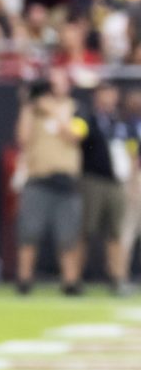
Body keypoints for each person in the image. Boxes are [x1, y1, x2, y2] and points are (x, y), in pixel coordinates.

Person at [15, 71, 84, 295]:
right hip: (38, 178)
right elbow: (22, 139)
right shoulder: (34, 112)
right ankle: (24, 281)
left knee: (68, 236)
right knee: (29, 232)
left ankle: (70, 282)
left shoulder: (76, 108)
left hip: (67, 180)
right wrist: (28, 105)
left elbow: (74, 135)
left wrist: (53, 110)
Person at [76, 82, 134, 293]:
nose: (108, 98)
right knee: (84, 231)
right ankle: (74, 279)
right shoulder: (87, 118)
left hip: (117, 183)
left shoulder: (121, 122)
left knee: (116, 232)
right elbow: (77, 137)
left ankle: (117, 278)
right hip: (93, 180)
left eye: (111, 93)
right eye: (104, 94)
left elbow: (131, 149)